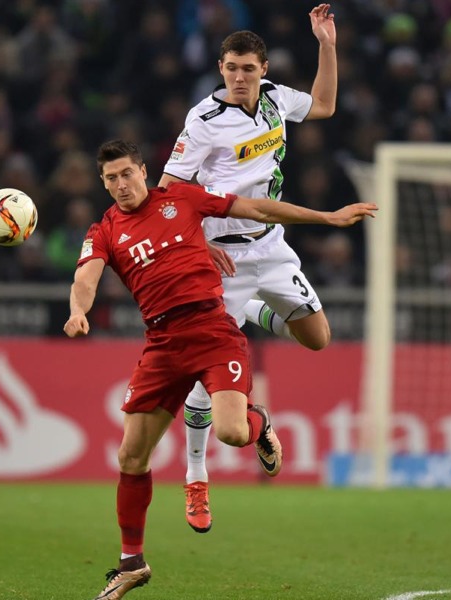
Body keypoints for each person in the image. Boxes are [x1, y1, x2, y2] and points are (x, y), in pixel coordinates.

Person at [65, 140, 376, 600]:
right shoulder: (105, 229)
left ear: (144, 171)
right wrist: (78, 311)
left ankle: (259, 421)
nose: (121, 185)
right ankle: (131, 564)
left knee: (232, 432)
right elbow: (85, 277)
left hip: (212, 331)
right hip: (162, 345)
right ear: (103, 183)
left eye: (127, 173)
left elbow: (255, 208)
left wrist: (326, 217)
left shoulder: (183, 199)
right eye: (111, 178)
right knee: (131, 456)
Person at [156, 4, 339, 532]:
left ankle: (256, 313)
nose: (239, 78)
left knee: (318, 337)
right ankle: (195, 480)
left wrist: (326, 43)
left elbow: (324, 104)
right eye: (231, 68)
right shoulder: (204, 121)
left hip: (272, 245)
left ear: (263, 69)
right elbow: (169, 193)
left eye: (248, 69)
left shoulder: (278, 100)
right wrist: (196, 242)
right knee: (198, 380)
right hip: (222, 256)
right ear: (221, 68)